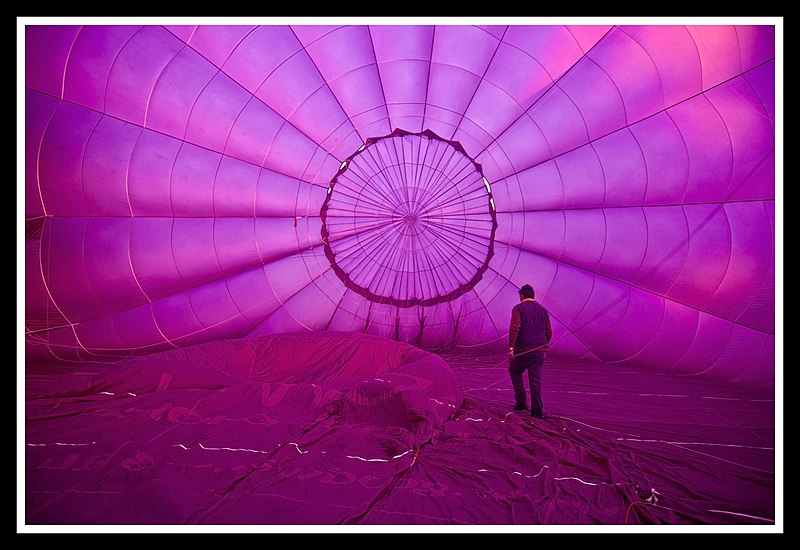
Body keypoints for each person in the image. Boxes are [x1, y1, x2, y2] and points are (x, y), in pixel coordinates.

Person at [507, 284, 552, 418]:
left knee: (514, 371)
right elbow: (549, 332)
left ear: (521, 296)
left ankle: (521, 403)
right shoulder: (543, 311)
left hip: (522, 351)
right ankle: (537, 411)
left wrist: (510, 348)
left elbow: (514, 328)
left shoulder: (518, 308)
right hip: (539, 351)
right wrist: (543, 345)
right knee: (535, 380)